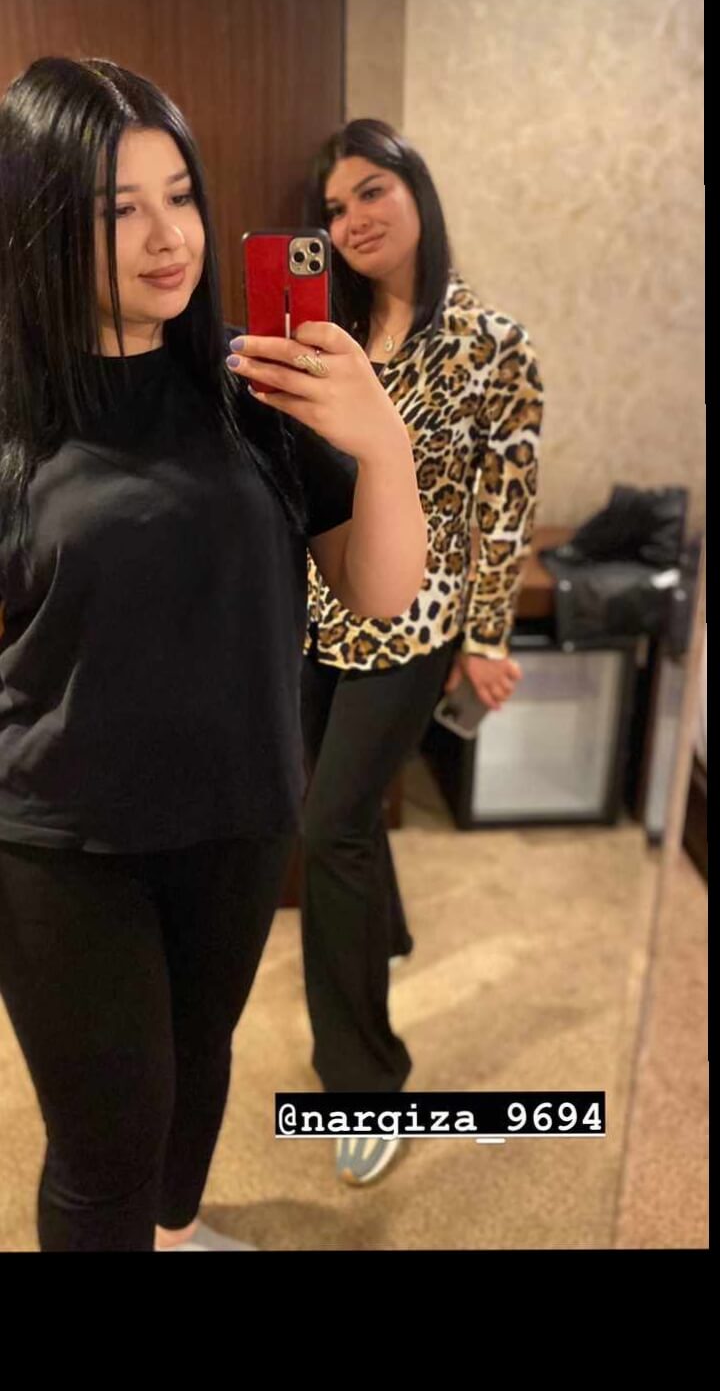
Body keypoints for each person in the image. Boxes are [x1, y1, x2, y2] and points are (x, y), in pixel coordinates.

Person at [0, 61, 427, 1253]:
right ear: (38, 224)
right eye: (116, 210)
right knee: (104, 1151)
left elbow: (380, 592)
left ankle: (179, 1238)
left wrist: (383, 446)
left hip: (239, 816)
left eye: (179, 196)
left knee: (197, 1074)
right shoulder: (14, 415)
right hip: (64, 843)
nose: (167, 238)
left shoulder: (257, 384)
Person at [300, 118, 544, 1186]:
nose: (351, 219)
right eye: (334, 206)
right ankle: (381, 934)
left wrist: (485, 637)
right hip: (315, 612)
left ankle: (364, 1083)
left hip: (416, 621)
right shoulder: (328, 334)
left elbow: (503, 507)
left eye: (371, 191)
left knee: (330, 830)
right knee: (332, 817)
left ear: (417, 193)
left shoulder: (494, 343)